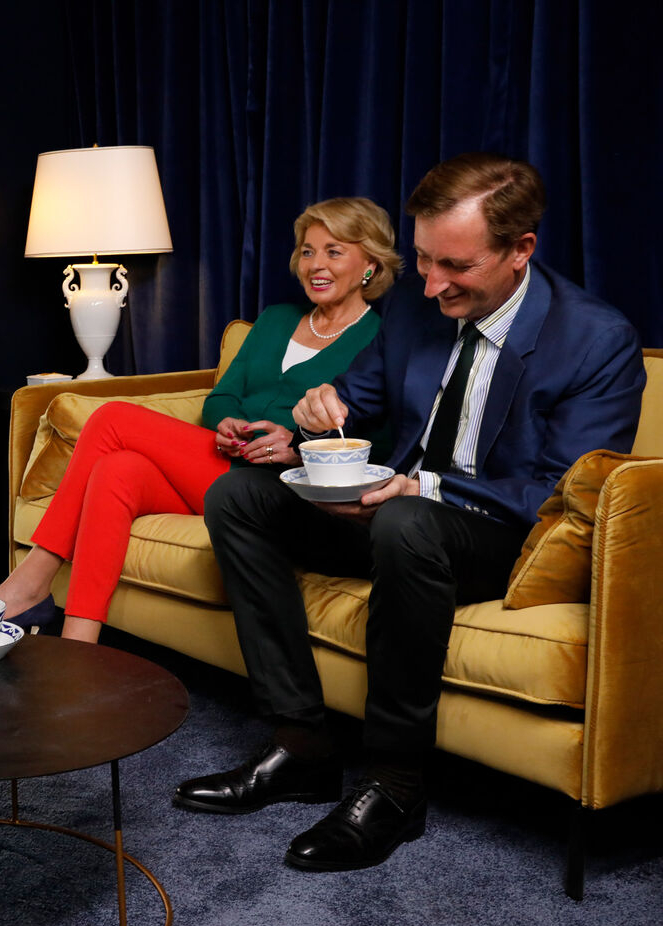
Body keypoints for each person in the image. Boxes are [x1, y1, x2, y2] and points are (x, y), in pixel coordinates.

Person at [177, 153, 646, 873]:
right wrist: (312, 415)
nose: (430, 285)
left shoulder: (595, 340)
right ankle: (301, 745)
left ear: (522, 249)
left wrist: (421, 492)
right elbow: (356, 402)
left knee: (408, 519)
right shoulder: (414, 307)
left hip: (496, 538)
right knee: (238, 496)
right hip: (394, 519)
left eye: (454, 266)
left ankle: (394, 786)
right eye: (422, 260)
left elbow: (559, 492)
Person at [0, 197, 402, 644]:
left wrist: (296, 442)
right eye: (307, 251)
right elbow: (223, 395)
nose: (315, 264)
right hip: (215, 461)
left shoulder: (377, 341)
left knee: (112, 418)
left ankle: (32, 581)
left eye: (333, 251)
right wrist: (225, 421)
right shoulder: (276, 319)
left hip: (271, 489)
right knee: (116, 471)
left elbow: (371, 443)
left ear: (370, 265)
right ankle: (78, 646)